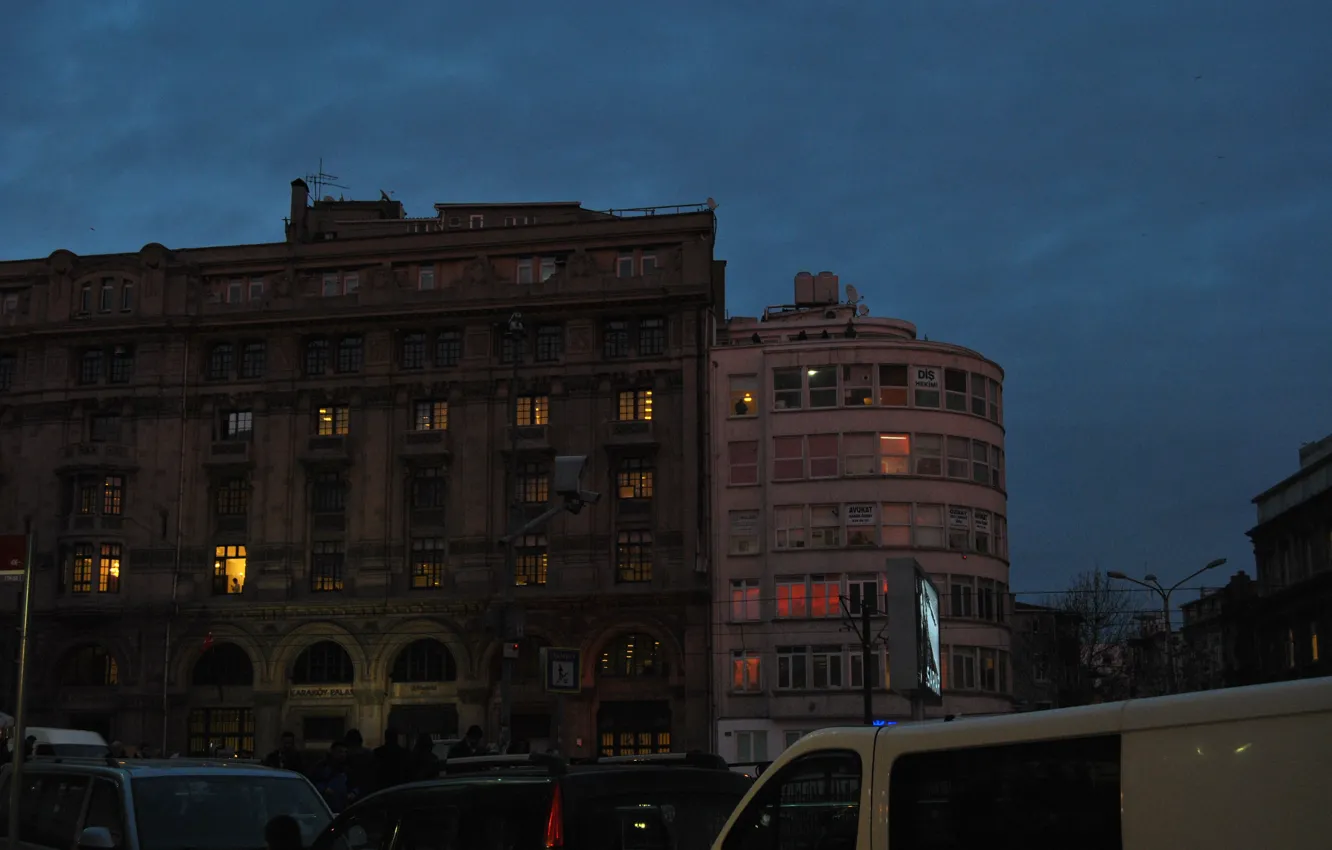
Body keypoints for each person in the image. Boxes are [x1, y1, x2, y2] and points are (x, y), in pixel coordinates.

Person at [311, 741, 361, 813]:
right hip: (324, 806)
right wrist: (324, 789)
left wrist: (353, 793)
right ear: (332, 752)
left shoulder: (348, 768)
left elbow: (356, 784)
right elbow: (313, 782)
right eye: (340, 751)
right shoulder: (322, 767)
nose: (343, 754)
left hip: (342, 807)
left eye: (345, 752)